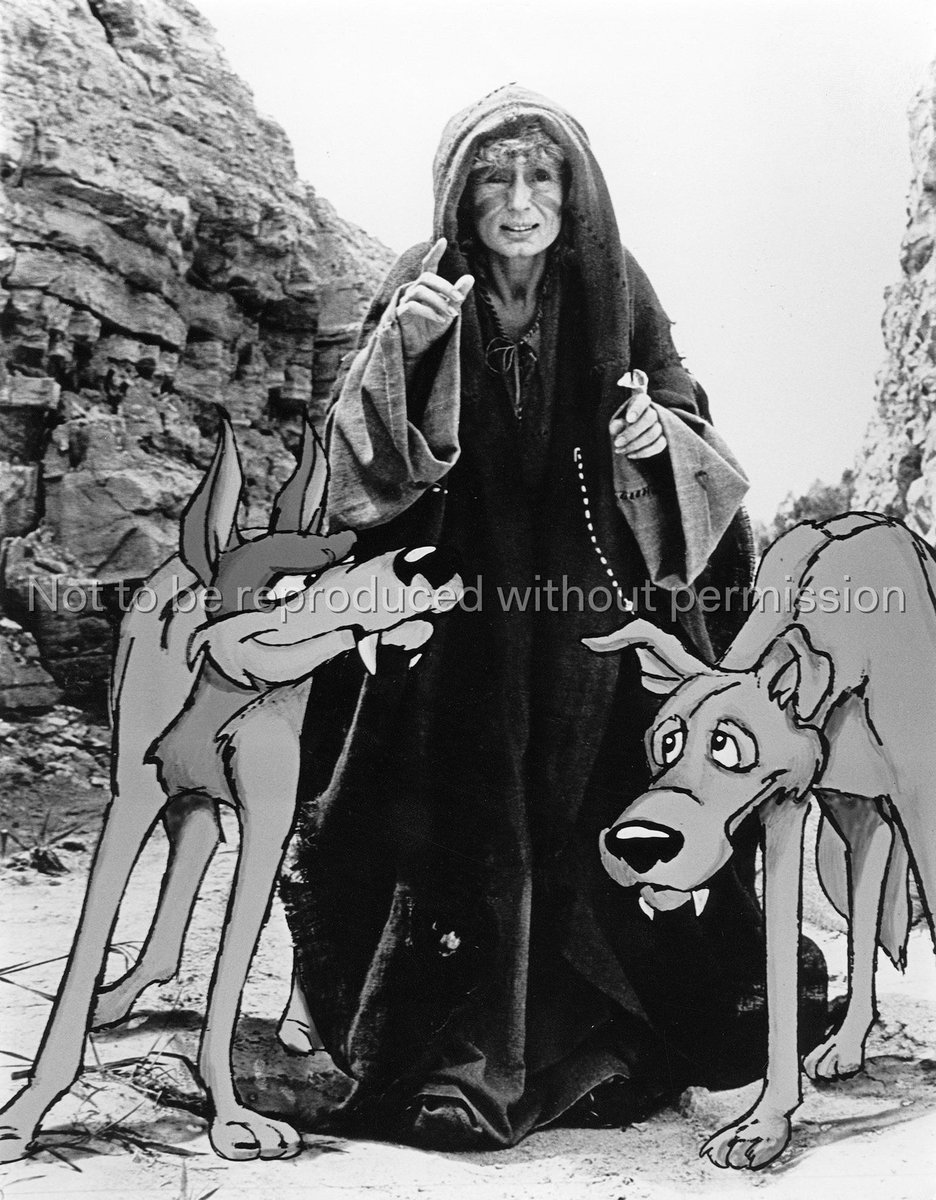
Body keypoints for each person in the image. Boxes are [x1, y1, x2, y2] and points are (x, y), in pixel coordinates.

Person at [282, 85, 826, 1150]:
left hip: (583, 603)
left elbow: (684, 408)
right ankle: (454, 1054)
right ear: (462, 194)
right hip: (461, 600)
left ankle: (598, 1037)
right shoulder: (421, 278)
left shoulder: (615, 283)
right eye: (497, 178)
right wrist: (407, 349)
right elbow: (354, 457)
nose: (522, 201)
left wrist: (654, 434)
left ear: (575, 195)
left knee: (587, 798)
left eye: (543, 177)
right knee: (457, 804)